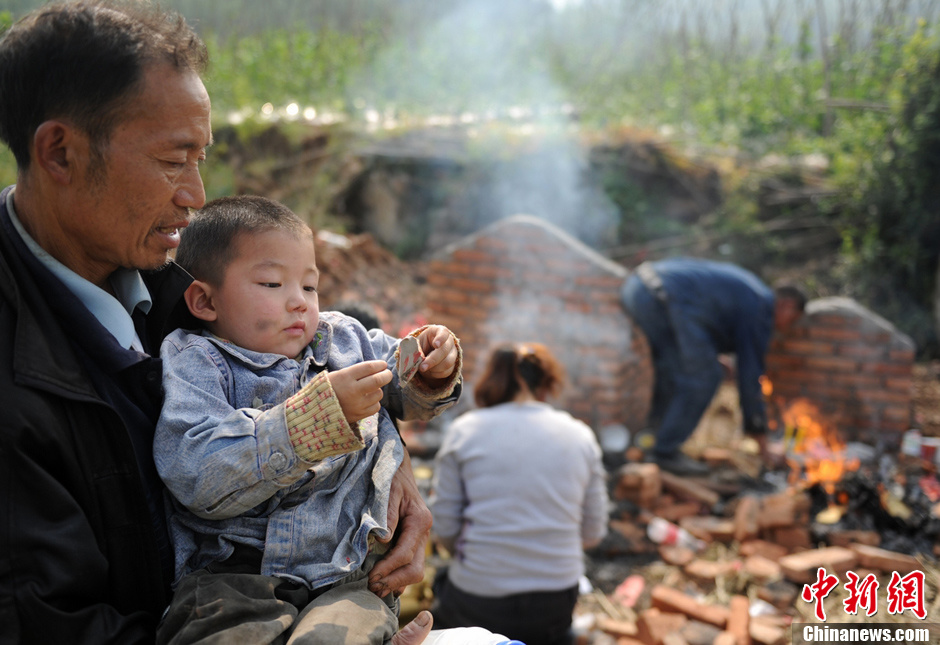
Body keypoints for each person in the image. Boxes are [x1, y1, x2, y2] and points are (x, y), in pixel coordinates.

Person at [0, 2, 432, 642]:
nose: (196, 195)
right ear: (60, 152)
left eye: (200, 158)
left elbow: (323, 362)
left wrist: (389, 464)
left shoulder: (182, 283)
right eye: (173, 159)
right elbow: (46, 624)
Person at [153, 195, 463, 643]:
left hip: (347, 573)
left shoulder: (342, 339)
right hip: (231, 577)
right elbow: (195, 471)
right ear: (205, 300)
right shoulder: (194, 361)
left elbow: (403, 384)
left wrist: (433, 363)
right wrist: (310, 422)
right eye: (272, 285)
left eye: (310, 287)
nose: (300, 302)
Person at [429, 342, 609, 645]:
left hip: (478, 599)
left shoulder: (466, 431)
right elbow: (592, 533)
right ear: (547, 382)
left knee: (442, 594)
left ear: (492, 380)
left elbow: (444, 529)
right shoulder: (580, 435)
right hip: (555, 603)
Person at [620, 257, 806, 477]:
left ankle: (648, 441)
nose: (786, 328)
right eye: (792, 319)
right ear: (787, 305)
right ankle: (664, 452)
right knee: (705, 378)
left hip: (638, 287)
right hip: (665, 296)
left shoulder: (750, 292)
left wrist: (710, 357)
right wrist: (762, 442)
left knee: (671, 371)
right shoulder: (761, 308)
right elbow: (750, 378)